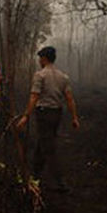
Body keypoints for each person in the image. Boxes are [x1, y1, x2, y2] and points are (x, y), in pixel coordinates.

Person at [16, 46, 80, 192]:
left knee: (48, 148)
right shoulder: (63, 77)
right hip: (57, 114)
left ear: (44, 59)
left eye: (40, 58)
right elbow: (70, 99)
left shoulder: (40, 75)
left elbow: (34, 96)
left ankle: (60, 182)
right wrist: (74, 117)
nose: (39, 60)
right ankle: (35, 175)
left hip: (44, 114)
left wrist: (26, 116)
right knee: (43, 142)